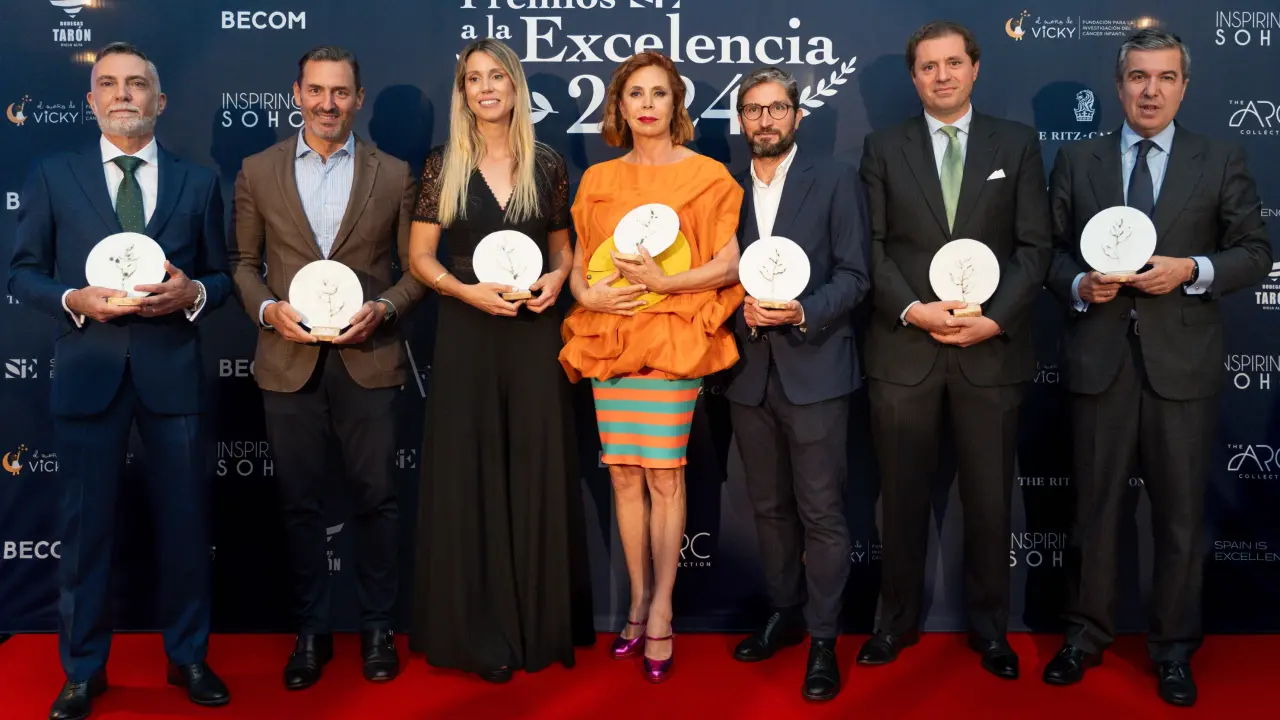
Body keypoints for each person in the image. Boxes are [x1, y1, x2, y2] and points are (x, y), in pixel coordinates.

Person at [1041, 28, 1271, 707]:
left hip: (1183, 365)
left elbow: (1254, 252)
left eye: (1166, 77)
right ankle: (1085, 636)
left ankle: (1173, 650)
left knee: (1179, 516)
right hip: (1100, 361)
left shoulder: (1220, 157)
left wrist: (1191, 270)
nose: (1151, 90)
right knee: (1093, 509)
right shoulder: (1077, 160)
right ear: (1119, 86)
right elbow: (1047, 253)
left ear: (1184, 86)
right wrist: (1078, 284)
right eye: (1139, 77)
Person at [8, 42, 232, 720]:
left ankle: (188, 657)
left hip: (173, 374)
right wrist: (73, 299)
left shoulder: (199, 182)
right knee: (84, 531)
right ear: (91, 100)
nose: (123, 93)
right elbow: (22, 272)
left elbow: (222, 276)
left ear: (160, 101)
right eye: (108, 83)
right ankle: (82, 670)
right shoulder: (53, 175)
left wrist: (194, 292)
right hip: (88, 372)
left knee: (186, 526)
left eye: (137, 84)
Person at [857, 21, 1051, 679]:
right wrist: (914, 310)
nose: (942, 76)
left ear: (975, 68)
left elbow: (1035, 248)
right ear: (914, 77)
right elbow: (872, 248)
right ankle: (894, 624)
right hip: (904, 351)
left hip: (988, 352)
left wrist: (994, 321)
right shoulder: (882, 148)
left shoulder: (1016, 144)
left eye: (953, 63)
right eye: (928, 66)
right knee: (900, 500)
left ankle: (992, 632)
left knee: (991, 503)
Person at [229, 45, 426, 690]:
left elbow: (415, 272)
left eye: (340, 92)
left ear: (358, 99)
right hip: (288, 360)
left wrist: (384, 308)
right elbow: (242, 264)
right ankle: (309, 633)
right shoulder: (257, 170)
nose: (327, 104)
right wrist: (268, 312)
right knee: (299, 504)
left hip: (369, 357)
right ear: (297, 93)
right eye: (316, 90)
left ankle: (377, 628)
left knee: (378, 499)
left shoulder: (394, 174)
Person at [407, 38, 595, 684]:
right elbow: (420, 257)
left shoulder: (548, 163)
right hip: (467, 330)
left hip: (534, 332)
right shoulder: (443, 164)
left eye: (497, 77)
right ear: (462, 93)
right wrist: (463, 291)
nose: (486, 88)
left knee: (537, 465)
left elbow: (563, 249)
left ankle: (539, 626)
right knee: (472, 469)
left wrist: (557, 279)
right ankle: (477, 630)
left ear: (515, 87)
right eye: (473, 79)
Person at [559, 50, 744, 684]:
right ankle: (637, 601)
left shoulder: (707, 176)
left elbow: (728, 264)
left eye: (658, 93)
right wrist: (588, 297)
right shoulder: (598, 178)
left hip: (672, 339)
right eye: (634, 93)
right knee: (622, 476)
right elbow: (580, 264)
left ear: (675, 104)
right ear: (619, 105)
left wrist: (666, 284)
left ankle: (663, 608)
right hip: (609, 339)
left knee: (664, 475)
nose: (646, 104)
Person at [724, 66, 870, 701]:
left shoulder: (835, 179)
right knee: (768, 509)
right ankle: (784, 613)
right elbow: (713, 278)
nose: (765, 121)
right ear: (741, 119)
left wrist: (802, 310)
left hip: (816, 370)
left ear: (797, 116)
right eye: (754, 110)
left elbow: (855, 274)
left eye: (776, 109)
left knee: (821, 512)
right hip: (748, 375)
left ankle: (823, 638)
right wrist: (740, 310)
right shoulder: (724, 189)